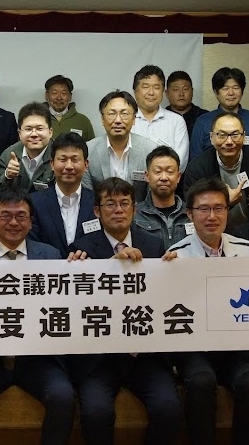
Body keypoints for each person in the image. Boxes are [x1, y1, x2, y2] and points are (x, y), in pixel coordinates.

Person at [66, 178, 181, 445]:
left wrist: (176, 270)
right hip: (100, 360)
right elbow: (75, 305)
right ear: (97, 211)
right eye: (110, 204)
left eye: (124, 203)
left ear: (134, 209)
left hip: (146, 356)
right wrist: (110, 268)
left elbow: (166, 297)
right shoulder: (80, 250)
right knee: (96, 414)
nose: (118, 210)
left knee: (168, 409)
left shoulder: (154, 245)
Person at [0, 189, 74, 445]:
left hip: (37, 360)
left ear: (31, 221)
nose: (13, 223)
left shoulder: (51, 256)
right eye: (5, 216)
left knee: (63, 397)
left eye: (21, 216)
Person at [163, 177, 249, 445]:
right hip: (196, 348)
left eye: (219, 208)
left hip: (239, 346)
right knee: (200, 383)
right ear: (190, 214)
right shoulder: (175, 256)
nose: (212, 216)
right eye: (204, 209)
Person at [182, 112, 249, 231]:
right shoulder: (197, 167)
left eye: (235, 135)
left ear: (244, 137)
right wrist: (225, 202)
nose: (229, 141)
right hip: (212, 229)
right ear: (211, 138)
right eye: (222, 135)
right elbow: (193, 207)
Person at [82, 90, 158, 200]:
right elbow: (87, 196)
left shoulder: (150, 149)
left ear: (134, 119)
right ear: (102, 119)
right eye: (111, 114)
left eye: (124, 114)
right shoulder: (87, 150)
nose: (118, 120)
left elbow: (152, 196)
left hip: (140, 210)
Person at [29, 132, 96, 254]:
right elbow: (32, 245)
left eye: (75, 160)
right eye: (63, 159)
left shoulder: (97, 202)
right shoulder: (34, 203)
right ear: (52, 164)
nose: (69, 166)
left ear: (86, 165)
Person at [189, 67, 249, 160]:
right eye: (225, 88)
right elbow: (195, 160)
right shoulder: (203, 121)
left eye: (236, 88)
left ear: (242, 91)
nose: (231, 93)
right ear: (216, 92)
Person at [131, 65, 189, 171]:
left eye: (156, 87)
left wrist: (157, 175)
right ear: (135, 90)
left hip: (165, 180)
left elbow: (180, 162)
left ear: (163, 91)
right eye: (145, 87)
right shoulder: (126, 120)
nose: (151, 92)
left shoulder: (176, 121)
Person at [133, 145, 191, 250]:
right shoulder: (134, 215)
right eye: (158, 171)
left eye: (170, 172)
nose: (164, 178)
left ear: (178, 177)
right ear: (147, 176)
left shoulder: (191, 214)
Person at [0, 101, 54, 194]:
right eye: (28, 129)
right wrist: (7, 176)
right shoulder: (9, 154)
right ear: (19, 133)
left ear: (50, 132)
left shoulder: (59, 155)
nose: (34, 134)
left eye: (39, 129)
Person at [43, 75, 95, 141]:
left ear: (70, 96)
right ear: (46, 95)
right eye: (54, 93)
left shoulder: (83, 121)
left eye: (64, 93)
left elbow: (92, 146)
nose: (59, 98)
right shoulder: (37, 119)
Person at [165, 70, 208, 139]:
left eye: (185, 89)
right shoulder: (160, 118)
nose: (181, 94)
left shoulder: (205, 117)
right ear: (167, 93)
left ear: (192, 91)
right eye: (176, 90)